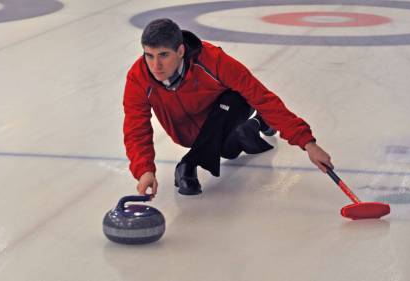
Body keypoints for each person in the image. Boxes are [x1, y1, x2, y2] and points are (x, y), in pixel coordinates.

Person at [123, 18, 333, 197]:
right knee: (228, 150)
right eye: (149, 55)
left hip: (227, 110)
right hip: (192, 134)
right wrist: (144, 170)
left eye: (163, 55)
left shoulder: (212, 60)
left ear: (180, 50)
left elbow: (260, 96)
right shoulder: (138, 78)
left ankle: (189, 163)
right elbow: (136, 127)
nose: (155, 66)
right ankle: (258, 122)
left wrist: (309, 144)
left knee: (237, 96)